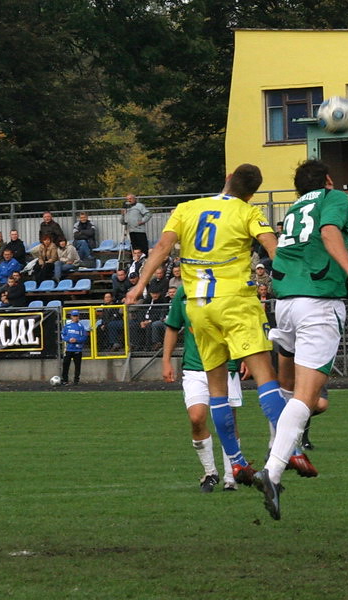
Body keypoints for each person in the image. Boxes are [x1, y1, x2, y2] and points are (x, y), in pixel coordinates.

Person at [125, 163, 286, 487]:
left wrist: (140, 285)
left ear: (227, 179)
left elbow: (161, 247)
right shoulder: (248, 212)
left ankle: (236, 465)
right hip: (234, 303)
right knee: (266, 378)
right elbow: (273, 248)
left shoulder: (188, 208)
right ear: (251, 193)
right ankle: (289, 448)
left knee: (217, 392)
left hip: (198, 306)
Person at [254, 158, 348, 519]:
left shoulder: (293, 207)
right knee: (308, 398)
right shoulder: (331, 196)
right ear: (326, 179)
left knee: (289, 389)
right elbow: (328, 233)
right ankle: (273, 470)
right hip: (318, 301)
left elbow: (282, 251)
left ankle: (277, 447)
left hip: (286, 301)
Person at [162, 285, 243, 492]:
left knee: (227, 422)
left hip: (226, 365)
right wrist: (166, 361)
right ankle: (210, 472)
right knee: (196, 418)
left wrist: (246, 357)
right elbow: (172, 327)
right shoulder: (183, 291)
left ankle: (230, 475)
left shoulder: (224, 283)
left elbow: (239, 326)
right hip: (194, 366)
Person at [60, 310, 88, 385]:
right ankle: (65, 380)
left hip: (77, 349)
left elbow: (84, 337)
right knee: (65, 364)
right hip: (69, 348)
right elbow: (62, 335)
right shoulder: (67, 326)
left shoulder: (81, 326)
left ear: (78, 317)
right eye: (74, 316)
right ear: (71, 317)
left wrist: (77, 340)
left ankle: (76, 380)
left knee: (77, 365)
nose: (75, 317)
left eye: (77, 316)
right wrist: (68, 339)